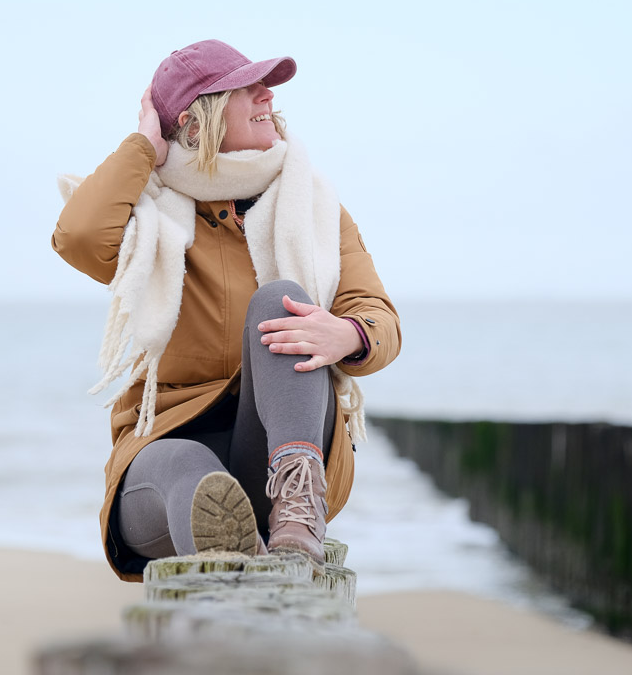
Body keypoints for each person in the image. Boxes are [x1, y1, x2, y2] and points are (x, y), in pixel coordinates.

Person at [52, 40, 400, 582]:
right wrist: (145, 143)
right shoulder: (145, 215)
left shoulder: (312, 206)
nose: (268, 95)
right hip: (165, 452)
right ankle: (246, 573)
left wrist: (349, 334)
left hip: (280, 442)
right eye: (246, 88)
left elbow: (379, 316)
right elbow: (78, 236)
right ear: (196, 122)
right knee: (191, 473)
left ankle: (296, 517)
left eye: (265, 85)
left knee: (278, 300)